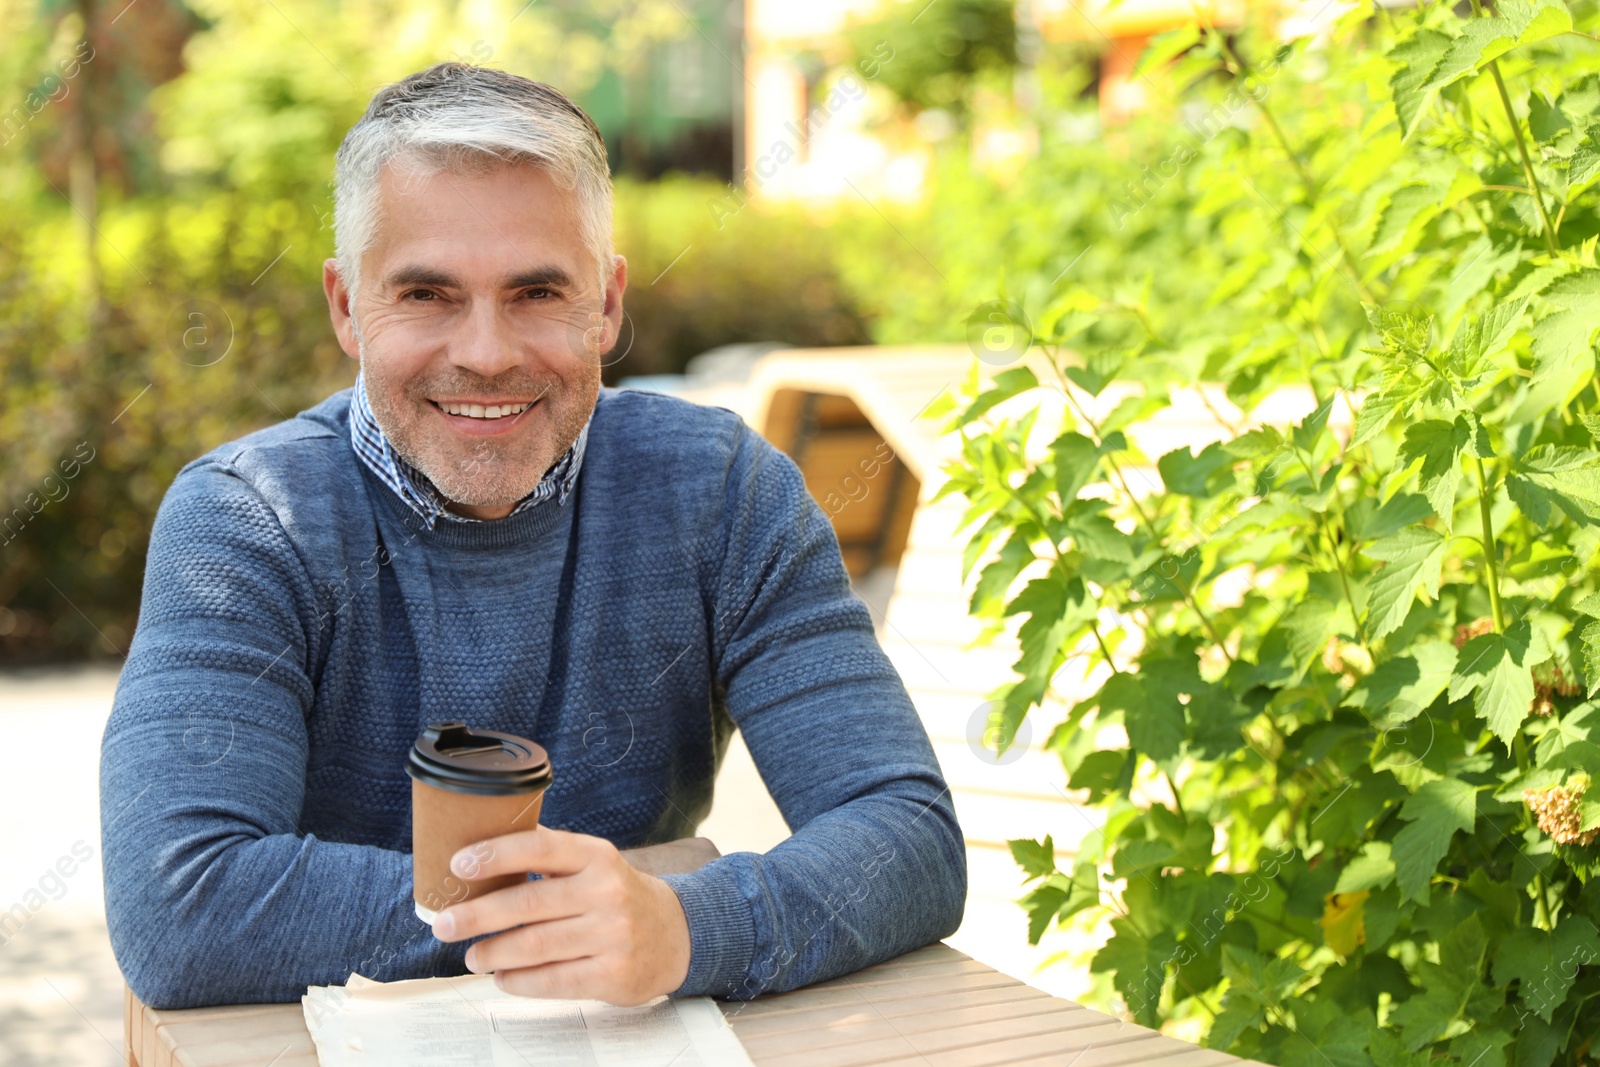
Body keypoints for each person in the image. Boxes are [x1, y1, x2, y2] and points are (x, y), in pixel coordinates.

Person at [100, 63, 966, 1011]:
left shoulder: (723, 490)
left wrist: (683, 924)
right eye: (427, 294)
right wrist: (624, 894)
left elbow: (908, 835)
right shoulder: (248, 518)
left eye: (537, 293)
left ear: (606, 304)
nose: (485, 351)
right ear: (347, 307)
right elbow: (181, 908)